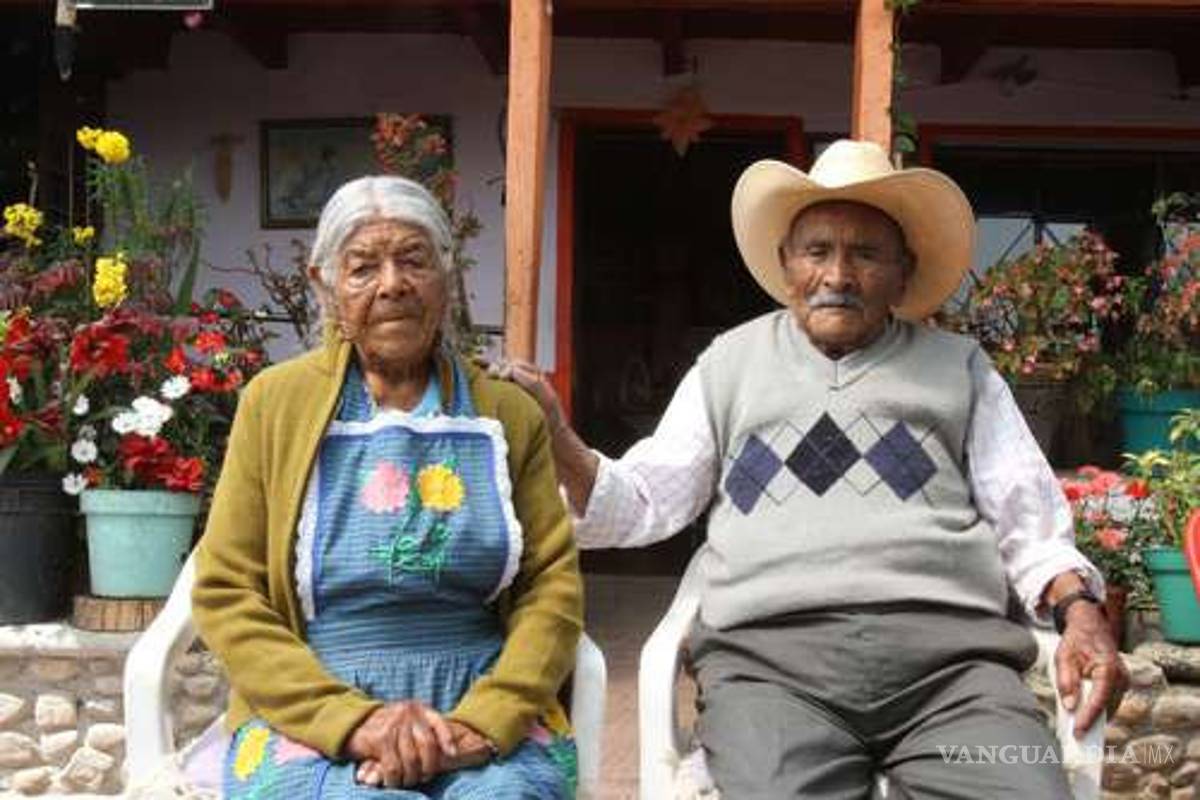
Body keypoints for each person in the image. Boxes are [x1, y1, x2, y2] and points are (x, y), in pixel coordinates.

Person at [502, 140, 1128, 799]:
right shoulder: (729, 365)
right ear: (785, 263)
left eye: (865, 253)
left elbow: (1028, 522)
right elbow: (644, 501)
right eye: (818, 250)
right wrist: (560, 436)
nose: (838, 274)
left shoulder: (960, 367)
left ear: (903, 273)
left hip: (950, 675)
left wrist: (1080, 611)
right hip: (772, 670)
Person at [193, 176, 582, 799]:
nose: (392, 283)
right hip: (315, 701)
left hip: (478, 694)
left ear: (447, 276)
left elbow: (551, 587)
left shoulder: (507, 412)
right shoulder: (275, 404)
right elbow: (226, 590)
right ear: (325, 286)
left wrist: (488, 720)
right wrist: (354, 722)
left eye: (413, 259)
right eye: (363, 267)